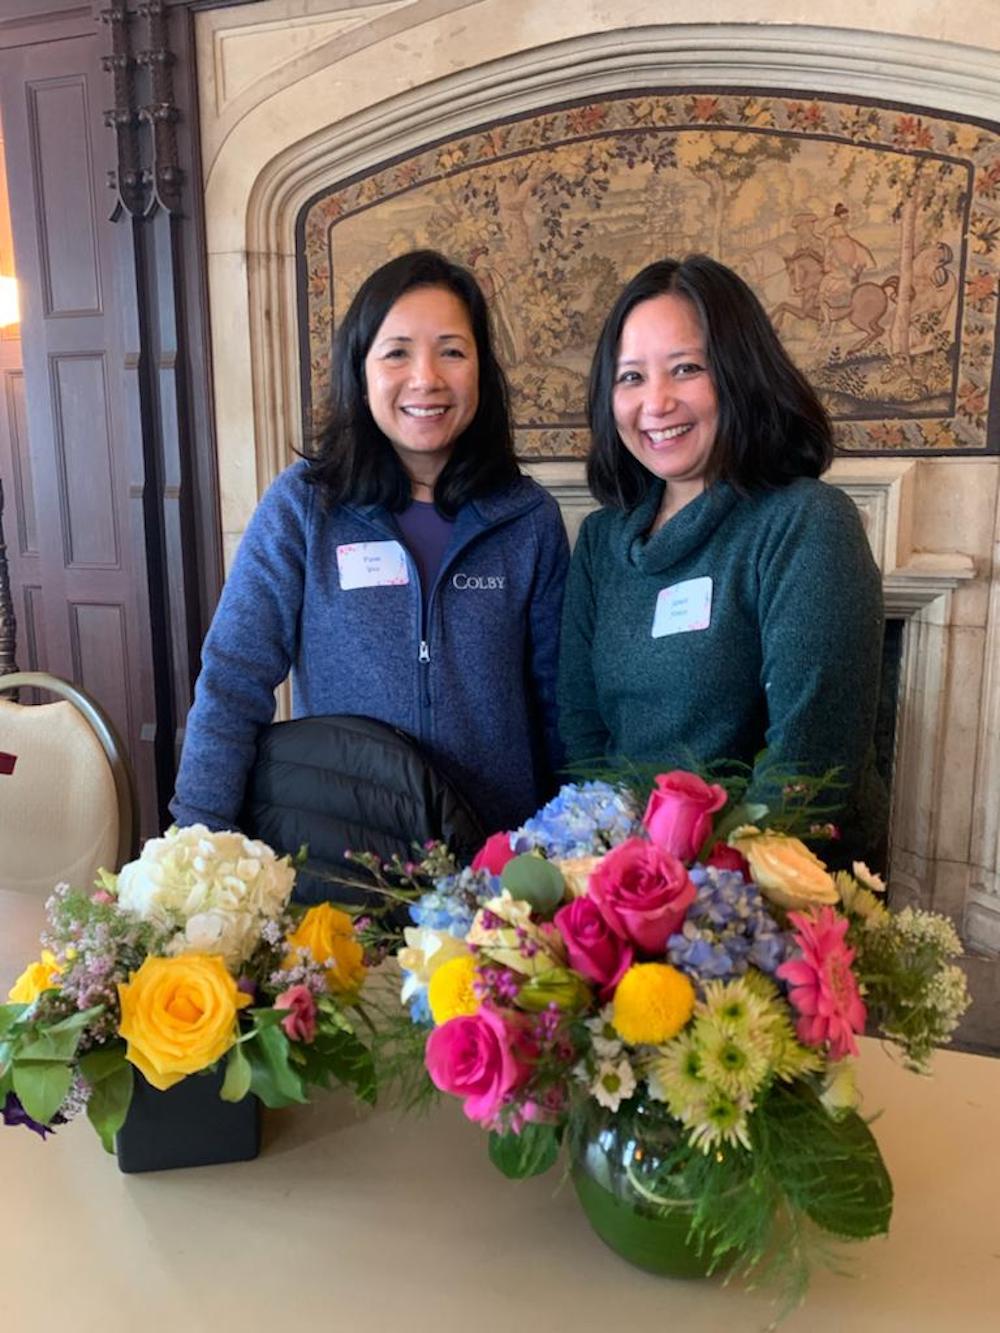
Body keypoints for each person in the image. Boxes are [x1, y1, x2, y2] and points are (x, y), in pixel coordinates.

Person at [172, 249, 569, 839]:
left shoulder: (527, 519)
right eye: (397, 352)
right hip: (348, 852)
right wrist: (196, 840)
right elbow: (233, 680)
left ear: (481, 371)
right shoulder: (305, 507)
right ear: (360, 371)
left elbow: (560, 702)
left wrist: (574, 846)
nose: (426, 378)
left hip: (496, 859)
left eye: (452, 351)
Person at [557, 254, 888, 866]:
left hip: (758, 891)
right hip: (622, 879)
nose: (656, 402)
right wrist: (608, 870)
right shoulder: (601, 540)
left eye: (686, 368)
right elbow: (582, 732)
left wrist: (703, 893)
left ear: (740, 372)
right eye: (631, 377)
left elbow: (808, 767)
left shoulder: (807, 523)